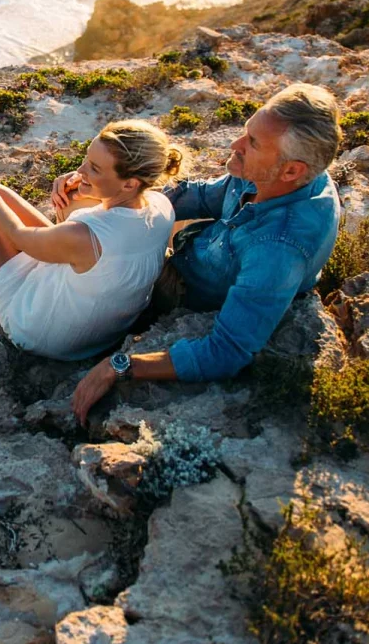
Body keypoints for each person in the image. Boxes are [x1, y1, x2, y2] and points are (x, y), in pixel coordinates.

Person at [67, 83, 344, 424]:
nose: (235, 145)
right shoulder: (275, 173)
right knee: (79, 216)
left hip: (184, 300)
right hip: (188, 258)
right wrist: (104, 189)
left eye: (252, 143)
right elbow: (198, 196)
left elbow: (226, 351)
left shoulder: (276, 250)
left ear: (292, 170)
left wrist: (120, 365)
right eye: (246, 133)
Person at [0, 120, 183, 360]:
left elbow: (18, 236)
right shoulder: (160, 206)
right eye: (87, 160)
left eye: (95, 168)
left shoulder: (84, 236)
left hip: (40, 331)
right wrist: (85, 185)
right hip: (105, 331)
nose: (80, 171)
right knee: (13, 193)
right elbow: (104, 224)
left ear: (130, 183)